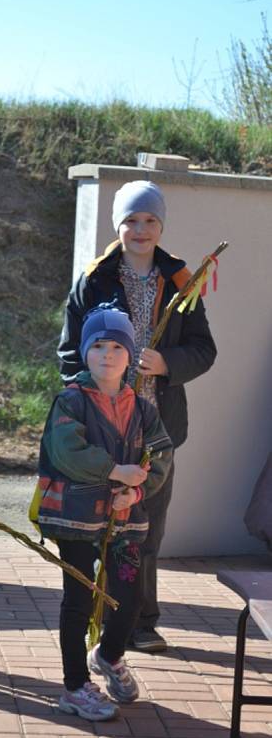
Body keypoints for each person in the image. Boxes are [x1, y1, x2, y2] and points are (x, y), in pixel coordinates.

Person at [58, 180, 217, 653]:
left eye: (149, 220)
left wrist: (168, 363)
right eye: (130, 220)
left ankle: (142, 620)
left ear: (161, 226)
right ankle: (99, 613)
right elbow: (69, 352)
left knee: (146, 526)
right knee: (101, 525)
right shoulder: (95, 279)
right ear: (117, 225)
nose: (140, 229)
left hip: (157, 427)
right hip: (105, 427)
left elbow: (204, 349)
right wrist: (94, 391)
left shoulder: (181, 282)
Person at [37, 305, 173, 720]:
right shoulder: (71, 401)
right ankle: (75, 685)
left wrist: (135, 493)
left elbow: (161, 455)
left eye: (118, 346)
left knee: (129, 598)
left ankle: (110, 655)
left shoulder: (144, 409)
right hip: (76, 520)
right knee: (77, 599)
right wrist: (115, 471)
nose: (108, 355)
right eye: (98, 345)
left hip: (126, 522)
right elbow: (66, 449)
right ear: (85, 352)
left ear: (131, 356)